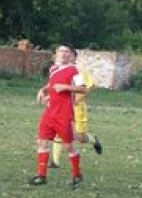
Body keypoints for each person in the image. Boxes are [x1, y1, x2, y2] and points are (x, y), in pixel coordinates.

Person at [28, 44, 87, 188]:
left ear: (70, 55)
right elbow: (51, 84)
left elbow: (82, 88)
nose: (63, 53)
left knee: (68, 146)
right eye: (60, 51)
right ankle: (41, 176)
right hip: (50, 113)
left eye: (66, 51)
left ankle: (77, 175)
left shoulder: (74, 70)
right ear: (56, 54)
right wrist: (43, 90)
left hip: (64, 114)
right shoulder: (53, 68)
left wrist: (66, 87)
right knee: (42, 142)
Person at [51, 51, 102, 168]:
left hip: (78, 108)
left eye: (69, 54)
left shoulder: (79, 70)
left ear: (74, 57)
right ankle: (55, 162)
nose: (66, 55)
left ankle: (94, 140)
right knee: (59, 132)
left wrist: (78, 99)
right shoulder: (59, 70)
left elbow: (90, 85)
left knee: (80, 137)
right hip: (64, 107)